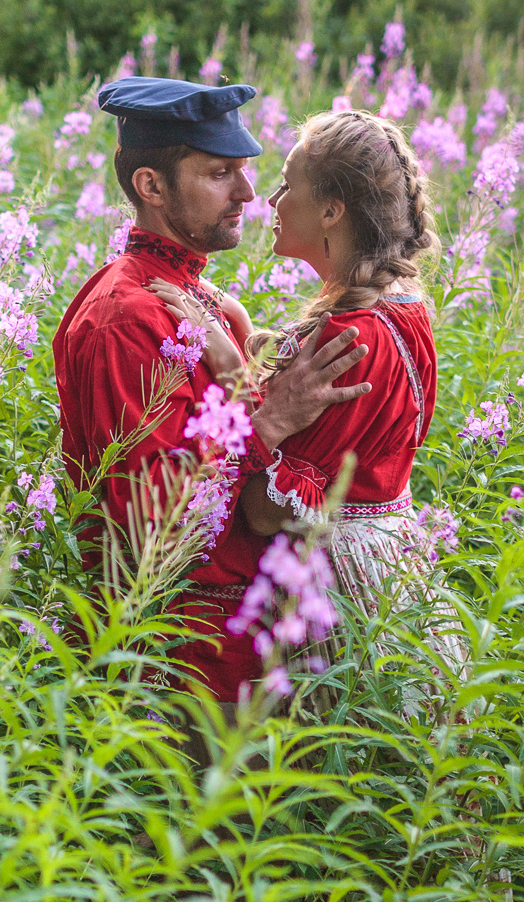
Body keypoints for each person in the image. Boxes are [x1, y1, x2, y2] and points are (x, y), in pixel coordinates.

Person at [53, 77, 376, 705]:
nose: (249, 193)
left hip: (239, 644)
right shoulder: (129, 318)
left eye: (245, 171)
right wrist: (270, 421)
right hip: (177, 661)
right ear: (150, 186)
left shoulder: (204, 304)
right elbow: (151, 526)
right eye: (220, 173)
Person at [147, 107, 460, 707]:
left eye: (288, 184)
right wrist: (238, 328)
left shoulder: (352, 341)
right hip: (393, 561)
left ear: (331, 211)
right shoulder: (399, 308)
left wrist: (234, 372)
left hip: (339, 589)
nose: (268, 197)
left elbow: (267, 513)